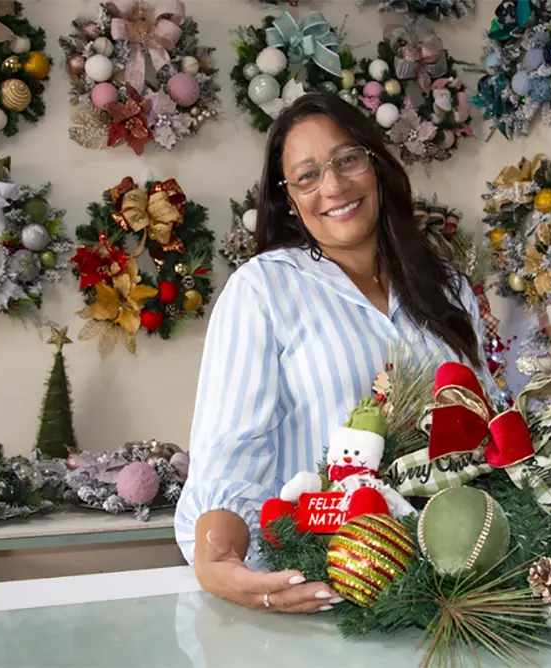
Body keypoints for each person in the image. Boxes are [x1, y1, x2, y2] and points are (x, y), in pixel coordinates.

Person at [175, 93, 497, 615]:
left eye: (347, 159)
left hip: (456, 591)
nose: (333, 185)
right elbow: (229, 456)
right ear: (290, 200)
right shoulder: (263, 289)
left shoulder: (448, 288)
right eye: (307, 176)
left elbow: (484, 427)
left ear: (375, 165)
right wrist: (219, 558)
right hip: (322, 594)